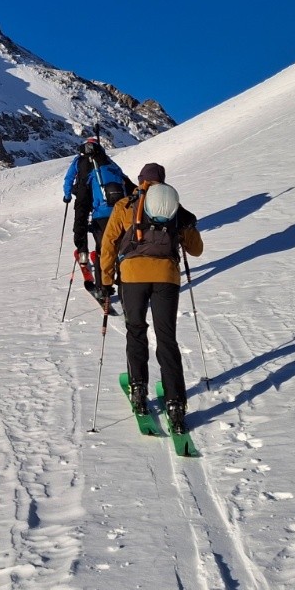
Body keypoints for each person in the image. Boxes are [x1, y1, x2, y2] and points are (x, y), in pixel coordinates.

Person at [98, 163, 204, 433]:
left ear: (141, 181)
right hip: (166, 277)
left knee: (136, 331)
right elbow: (196, 250)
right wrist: (188, 226)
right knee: (166, 337)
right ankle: (176, 405)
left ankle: (138, 389)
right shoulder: (174, 208)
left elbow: (109, 243)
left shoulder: (125, 204)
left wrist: (107, 279)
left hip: (132, 277)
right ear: (163, 182)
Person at [61, 137, 131, 292]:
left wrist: (67, 195)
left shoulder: (79, 161)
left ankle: (83, 252)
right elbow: (124, 181)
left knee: (81, 224)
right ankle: (122, 277)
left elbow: (69, 179)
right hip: (119, 209)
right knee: (118, 243)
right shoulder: (107, 162)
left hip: (91, 202)